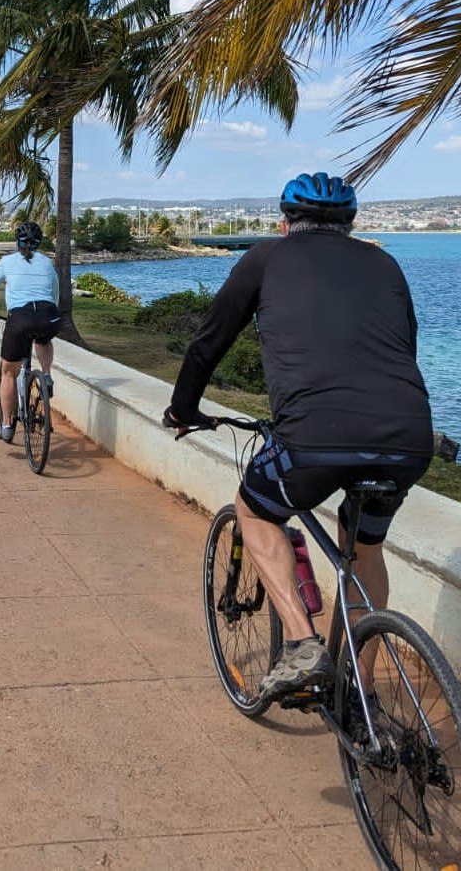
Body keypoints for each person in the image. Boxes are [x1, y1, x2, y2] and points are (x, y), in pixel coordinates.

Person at [164, 172, 433, 704]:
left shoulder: (266, 258)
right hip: (406, 440)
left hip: (313, 442)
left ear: (286, 224)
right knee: (365, 552)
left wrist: (185, 409)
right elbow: (405, 347)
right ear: (350, 226)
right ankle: (360, 689)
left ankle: (302, 643)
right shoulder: (385, 263)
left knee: (254, 507)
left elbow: (208, 341)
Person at [0, 220, 61, 443]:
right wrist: (53, 313)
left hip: (20, 319)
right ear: (39, 243)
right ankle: (47, 375)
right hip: (48, 315)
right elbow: (55, 291)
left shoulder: (7, 261)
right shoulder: (47, 262)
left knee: (8, 372)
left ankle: (6, 426)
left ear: (17, 242)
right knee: (43, 339)